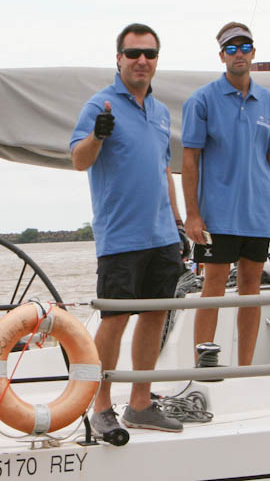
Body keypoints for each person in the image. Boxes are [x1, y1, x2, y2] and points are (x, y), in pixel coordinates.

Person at [70, 23, 186, 437]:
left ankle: (140, 404)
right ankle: (100, 407)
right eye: (133, 53)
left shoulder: (160, 112)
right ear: (118, 58)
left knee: (155, 318)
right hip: (120, 237)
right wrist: (97, 136)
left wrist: (178, 223)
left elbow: (164, 170)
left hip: (162, 236)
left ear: (156, 60)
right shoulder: (99, 105)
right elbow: (79, 160)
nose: (141, 60)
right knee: (115, 320)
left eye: (149, 54)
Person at [182, 22, 270, 366]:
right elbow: (189, 160)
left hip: (257, 212)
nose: (239, 54)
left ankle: (245, 368)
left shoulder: (268, 100)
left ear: (254, 53)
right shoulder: (202, 100)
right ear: (222, 55)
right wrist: (193, 214)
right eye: (232, 48)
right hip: (217, 214)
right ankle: (204, 366)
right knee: (214, 289)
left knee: (252, 289)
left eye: (245, 47)